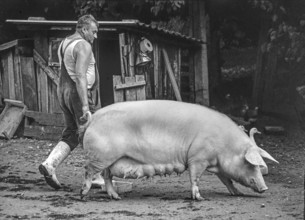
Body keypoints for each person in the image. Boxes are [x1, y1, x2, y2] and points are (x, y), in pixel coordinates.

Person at [39, 14, 103, 189]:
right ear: (84, 29)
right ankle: (96, 175)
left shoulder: (65, 42)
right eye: (94, 32)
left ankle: (50, 164)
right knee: (95, 132)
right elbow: (81, 75)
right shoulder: (83, 45)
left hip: (64, 92)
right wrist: (85, 106)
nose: (95, 36)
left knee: (71, 133)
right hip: (78, 94)